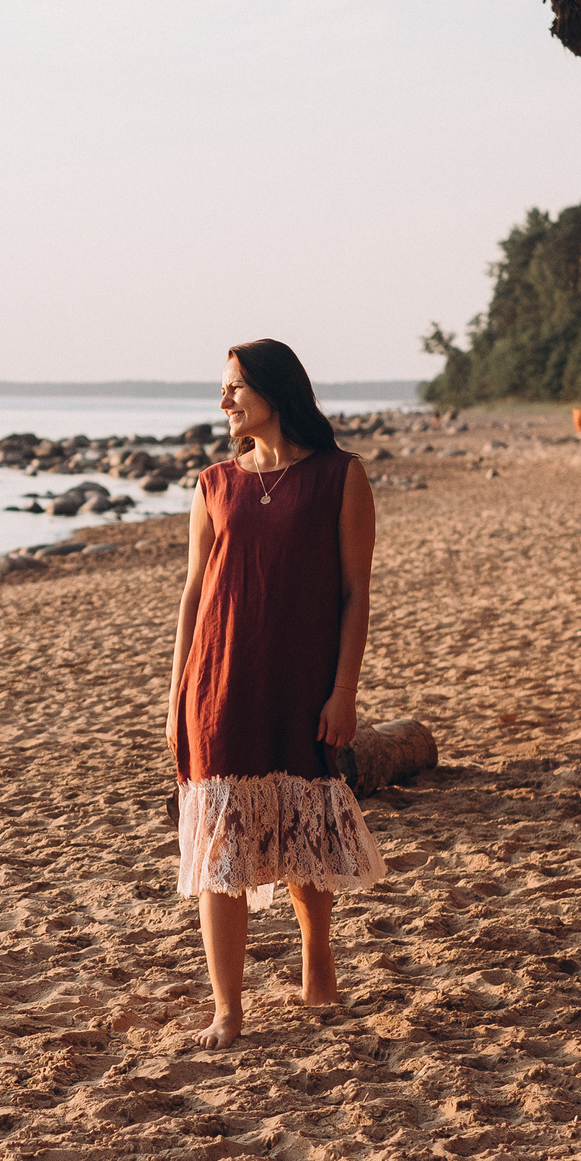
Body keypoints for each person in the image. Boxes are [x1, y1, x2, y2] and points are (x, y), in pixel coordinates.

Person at [165, 338, 386, 1049]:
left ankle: (315, 947)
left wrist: (344, 688)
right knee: (222, 843)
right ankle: (228, 1008)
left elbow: (356, 592)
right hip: (219, 683)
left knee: (303, 823)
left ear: (274, 392)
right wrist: (175, 696)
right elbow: (194, 593)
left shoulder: (339, 477)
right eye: (224, 389)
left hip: (301, 679)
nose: (224, 400)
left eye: (234, 387)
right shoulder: (212, 484)